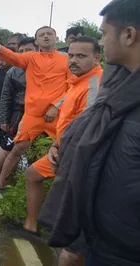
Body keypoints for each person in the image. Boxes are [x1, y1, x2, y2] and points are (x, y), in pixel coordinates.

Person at [39, 1, 140, 265]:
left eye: (105, 34)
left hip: (124, 247)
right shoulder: (117, 86)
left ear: (128, 35)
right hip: (100, 231)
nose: (102, 42)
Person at [21, 36, 103, 265]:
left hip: (77, 155)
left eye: (81, 56)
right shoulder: (79, 81)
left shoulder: (95, 83)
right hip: (63, 148)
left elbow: (89, 127)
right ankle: (31, 225)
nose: (74, 60)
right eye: (71, 55)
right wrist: (56, 144)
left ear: (97, 58)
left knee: (71, 204)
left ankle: (64, 242)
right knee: (32, 175)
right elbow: (70, 112)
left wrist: (63, 150)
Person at [0, 26, 71, 189]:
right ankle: (0, 183)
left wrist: (56, 106)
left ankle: (57, 187)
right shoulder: (30, 58)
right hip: (32, 115)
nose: (46, 37)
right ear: (37, 41)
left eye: (50, 34)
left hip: (57, 115)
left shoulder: (67, 59)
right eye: (42, 35)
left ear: (57, 38)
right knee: (17, 148)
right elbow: (13, 57)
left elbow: (72, 86)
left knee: (63, 149)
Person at [0, 37, 38, 183]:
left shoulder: (47, 69)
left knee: (37, 148)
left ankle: (27, 179)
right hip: (18, 113)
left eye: (29, 50)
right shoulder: (13, 72)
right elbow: (5, 97)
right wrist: (4, 119)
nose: (25, 54)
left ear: (37, 50)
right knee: (7, 145)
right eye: (22, 51)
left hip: (44, 114)